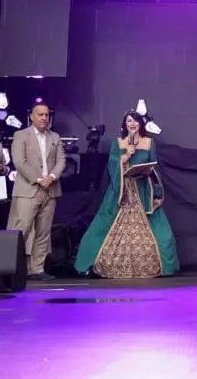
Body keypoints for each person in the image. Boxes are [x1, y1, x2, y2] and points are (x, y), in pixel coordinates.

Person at [74, 111, 179, 278]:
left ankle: (155, 266)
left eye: (136, 121)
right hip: (122, 189)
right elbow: (112, 166)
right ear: (124, 124)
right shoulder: (118, 143)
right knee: (102, 226)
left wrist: (147, 171)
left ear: (141, 124)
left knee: (162, 234)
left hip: (142, 189)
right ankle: (91, 264)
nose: (132, 124)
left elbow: (154, 166)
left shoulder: (149, 142)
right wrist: (126, 156)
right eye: (129, 121)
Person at [8, 102, 66, 281]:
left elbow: (61, 160)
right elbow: (19, 162)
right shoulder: (21, 135)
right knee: (21, 230)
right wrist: (39, 179)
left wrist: (52, 177)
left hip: (51, 190)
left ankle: (37, 269)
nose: (44, 118)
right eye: (40, 114)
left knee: (43, 232)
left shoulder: (55, 136)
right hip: (29, 189)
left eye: (47, 115)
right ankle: (10, 268)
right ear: (31, 116)